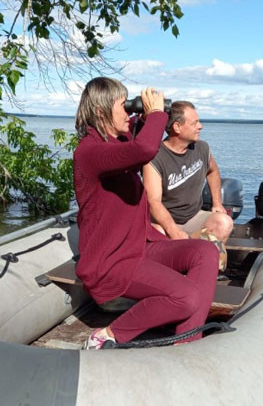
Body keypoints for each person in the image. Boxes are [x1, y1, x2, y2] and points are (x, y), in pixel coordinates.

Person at [73, 78, 219, 349]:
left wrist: (143, 116)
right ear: (101, 112)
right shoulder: (90, 152)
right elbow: (144, 149)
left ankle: (186, 343)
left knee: (205, 252)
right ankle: (109, 334)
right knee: (186, 297)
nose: (128, 111)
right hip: (111, 261)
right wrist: (156, 114)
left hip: (139, 245)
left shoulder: (116, 142)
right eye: (123, 105)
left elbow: (136, 139)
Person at [142, 101, 233, 270]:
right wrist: (174, 232)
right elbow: (153, 202)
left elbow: (213, 171)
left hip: (193, 217)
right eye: (194, 123)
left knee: (224, 222)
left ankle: (202, 268)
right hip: (163, 222)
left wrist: (217, 203)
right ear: (177, 127)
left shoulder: (202, 148)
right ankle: (174, 271)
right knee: (158, 234)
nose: (200, 126)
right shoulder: (154, 157)